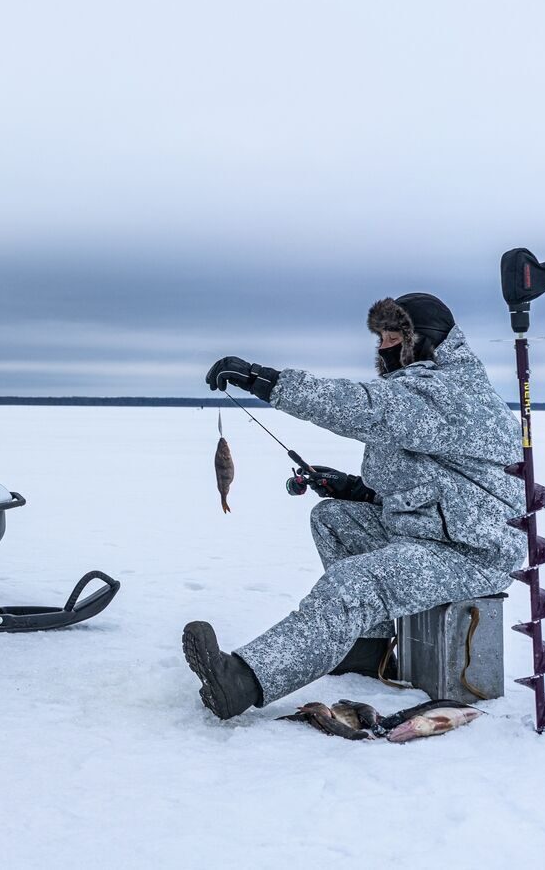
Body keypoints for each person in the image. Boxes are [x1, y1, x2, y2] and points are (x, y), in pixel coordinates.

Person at [184, 293, 526, 719]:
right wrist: (354, 488)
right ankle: (368, 652)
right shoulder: (417, 393)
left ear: (425, 340)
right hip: (433, 532)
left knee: (356, 582)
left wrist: (264, 380)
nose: (383, 346)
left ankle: (245, 680)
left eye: (393, 335)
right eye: (380, 336)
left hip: (469, 550)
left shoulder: (449, 393)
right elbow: (426, 482)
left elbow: (362, 408)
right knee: (333, 518)